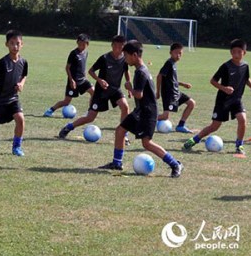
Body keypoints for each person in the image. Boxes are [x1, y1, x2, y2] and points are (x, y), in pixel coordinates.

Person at [99, 40, 184, 178]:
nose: (125, 59)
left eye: (126, 56)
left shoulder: (140, 72)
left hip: (147, 112)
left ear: (134, 55)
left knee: (147, 143)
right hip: (140, 110)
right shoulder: (141, 69)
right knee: (120, 131)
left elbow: (138, 94)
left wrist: (129, 88)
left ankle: (175, 164)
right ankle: (117, 162)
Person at [183, 39, 251, 155]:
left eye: (239, 52)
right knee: (215, 126)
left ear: (244, 53)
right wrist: (224, 88)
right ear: (230, 52)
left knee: (243, 119)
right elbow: (213, 81)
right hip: (223, 101)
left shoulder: (245, 66)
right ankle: (194, 140)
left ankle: (239, 145)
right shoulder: (226, 66)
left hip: (236, 100)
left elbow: (246, 78)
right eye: (234, 52)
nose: (236, 54)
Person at [58, 35, 131, 145]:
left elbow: (126, 71)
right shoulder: (105, 58)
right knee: (90, 117)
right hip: (101, 91)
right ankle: (69, 127)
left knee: (125, 107)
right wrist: (99, 80)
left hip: (115, 90)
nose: (118, 49)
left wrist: (128, 84)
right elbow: (91, 71)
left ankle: (124, 135)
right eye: (116, 46)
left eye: (121, 47)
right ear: (112, 45)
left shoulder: (125, 59)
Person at [43, 33, 94, 117]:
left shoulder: (86, 53)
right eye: (79, 44)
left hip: (83, 80)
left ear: (87, 44)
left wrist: (85, 77)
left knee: (93, 92)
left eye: (83, 44)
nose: (81, 46)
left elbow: (83, 65)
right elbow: (67, 68)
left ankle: (90, 112)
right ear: (77, 42)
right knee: (66, 101)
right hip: (73, 81)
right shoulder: (73, 53)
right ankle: (50, 110)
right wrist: (71, 80)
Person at [156, 42, 196, 133]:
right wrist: (158, 92)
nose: (178, 55)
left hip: (176, 93)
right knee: (165, 116)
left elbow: (172, 81)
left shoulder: (173, 63)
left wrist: (183, 84)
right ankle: (145, 119)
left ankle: (181, 126)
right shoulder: (169, 63)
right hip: (169, 94)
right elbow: (159, 76)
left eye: (180, 53)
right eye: (176, 53)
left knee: (191, 103)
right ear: (170, 53)